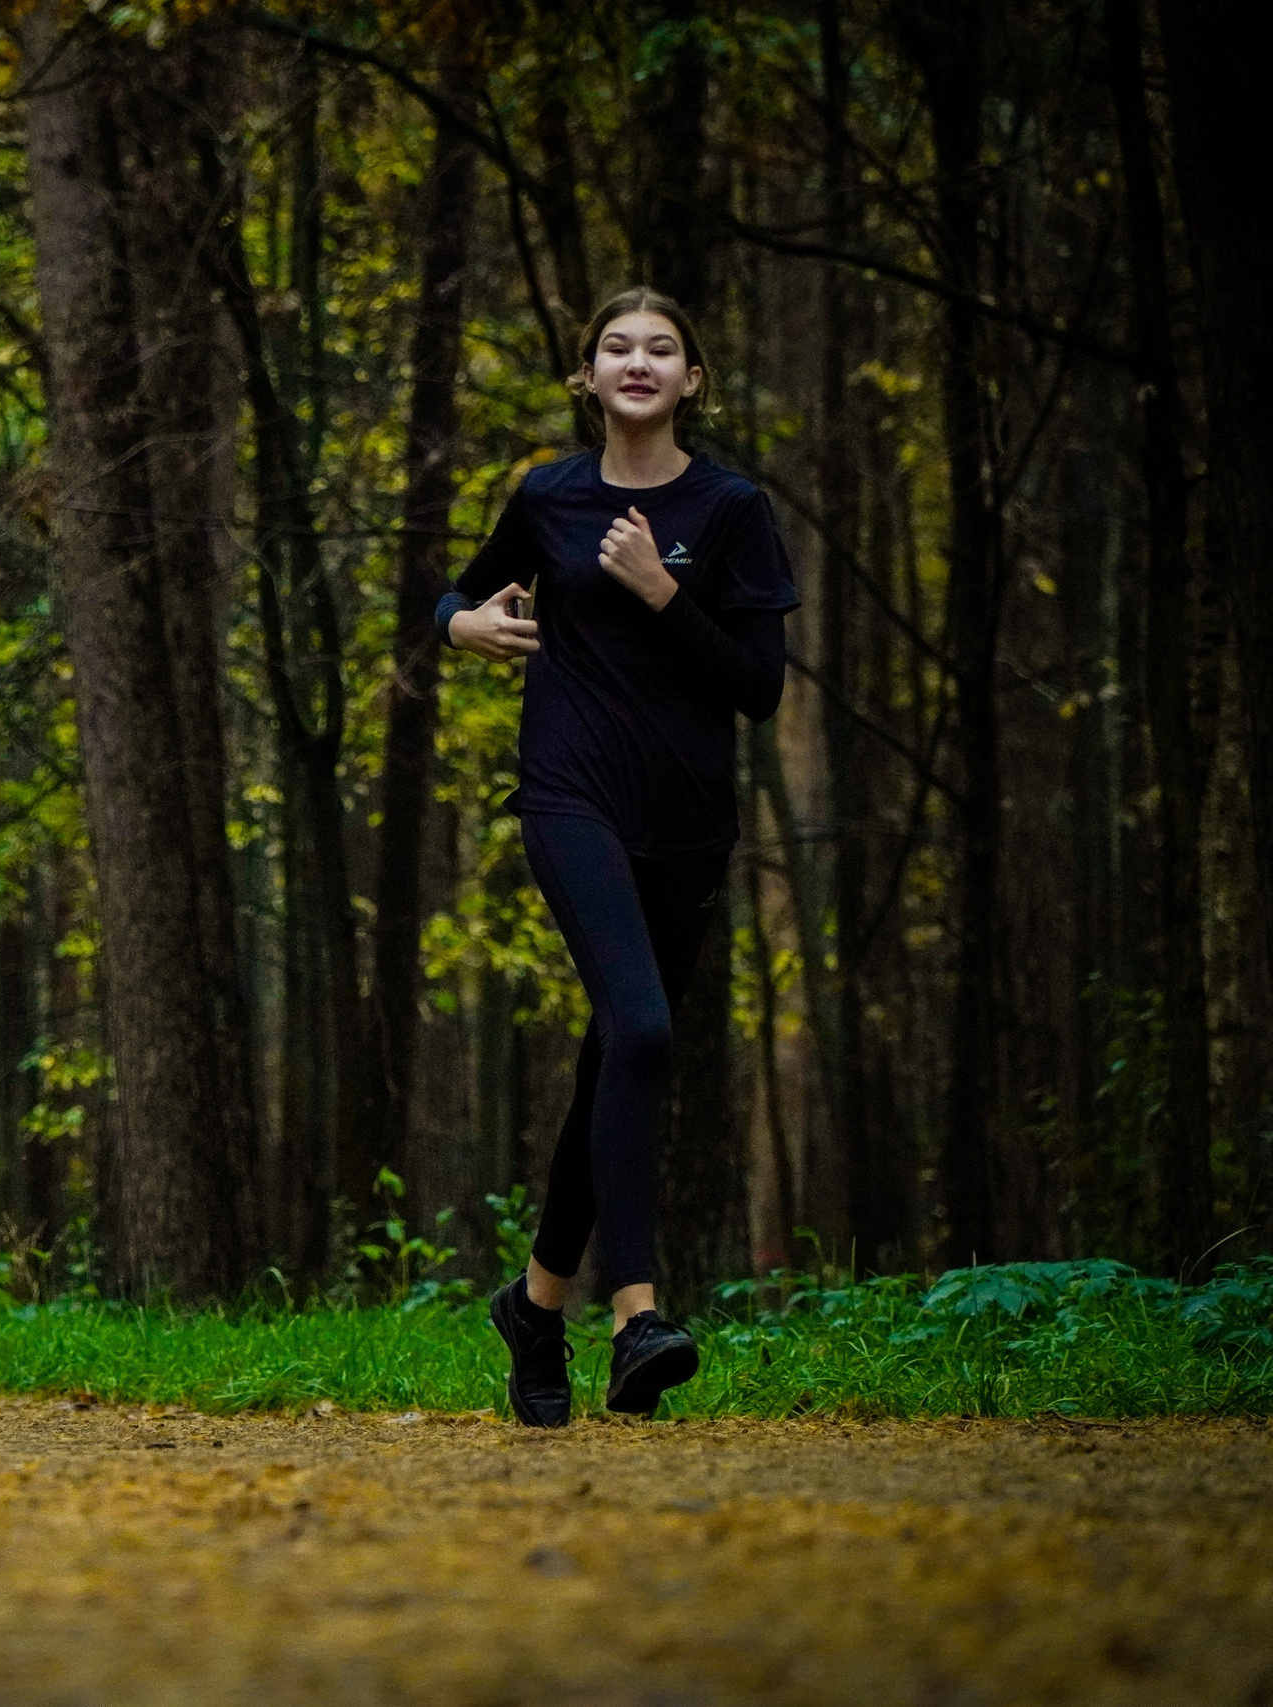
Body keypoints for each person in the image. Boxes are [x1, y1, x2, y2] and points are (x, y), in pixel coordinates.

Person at [438, 287, 796, 1426]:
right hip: (570, 795)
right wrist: (464, 625)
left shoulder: (729, 509)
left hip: (685, 818)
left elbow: (754, 688)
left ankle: (534, 1309)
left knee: (615, 1058)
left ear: (692, 380)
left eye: (660, 349)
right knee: (641, 1027)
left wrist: (661, 592)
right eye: (614, 347)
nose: (635, 362)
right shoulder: (546, 495)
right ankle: (637, 1314)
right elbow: (457, 588)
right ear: (585, 377)